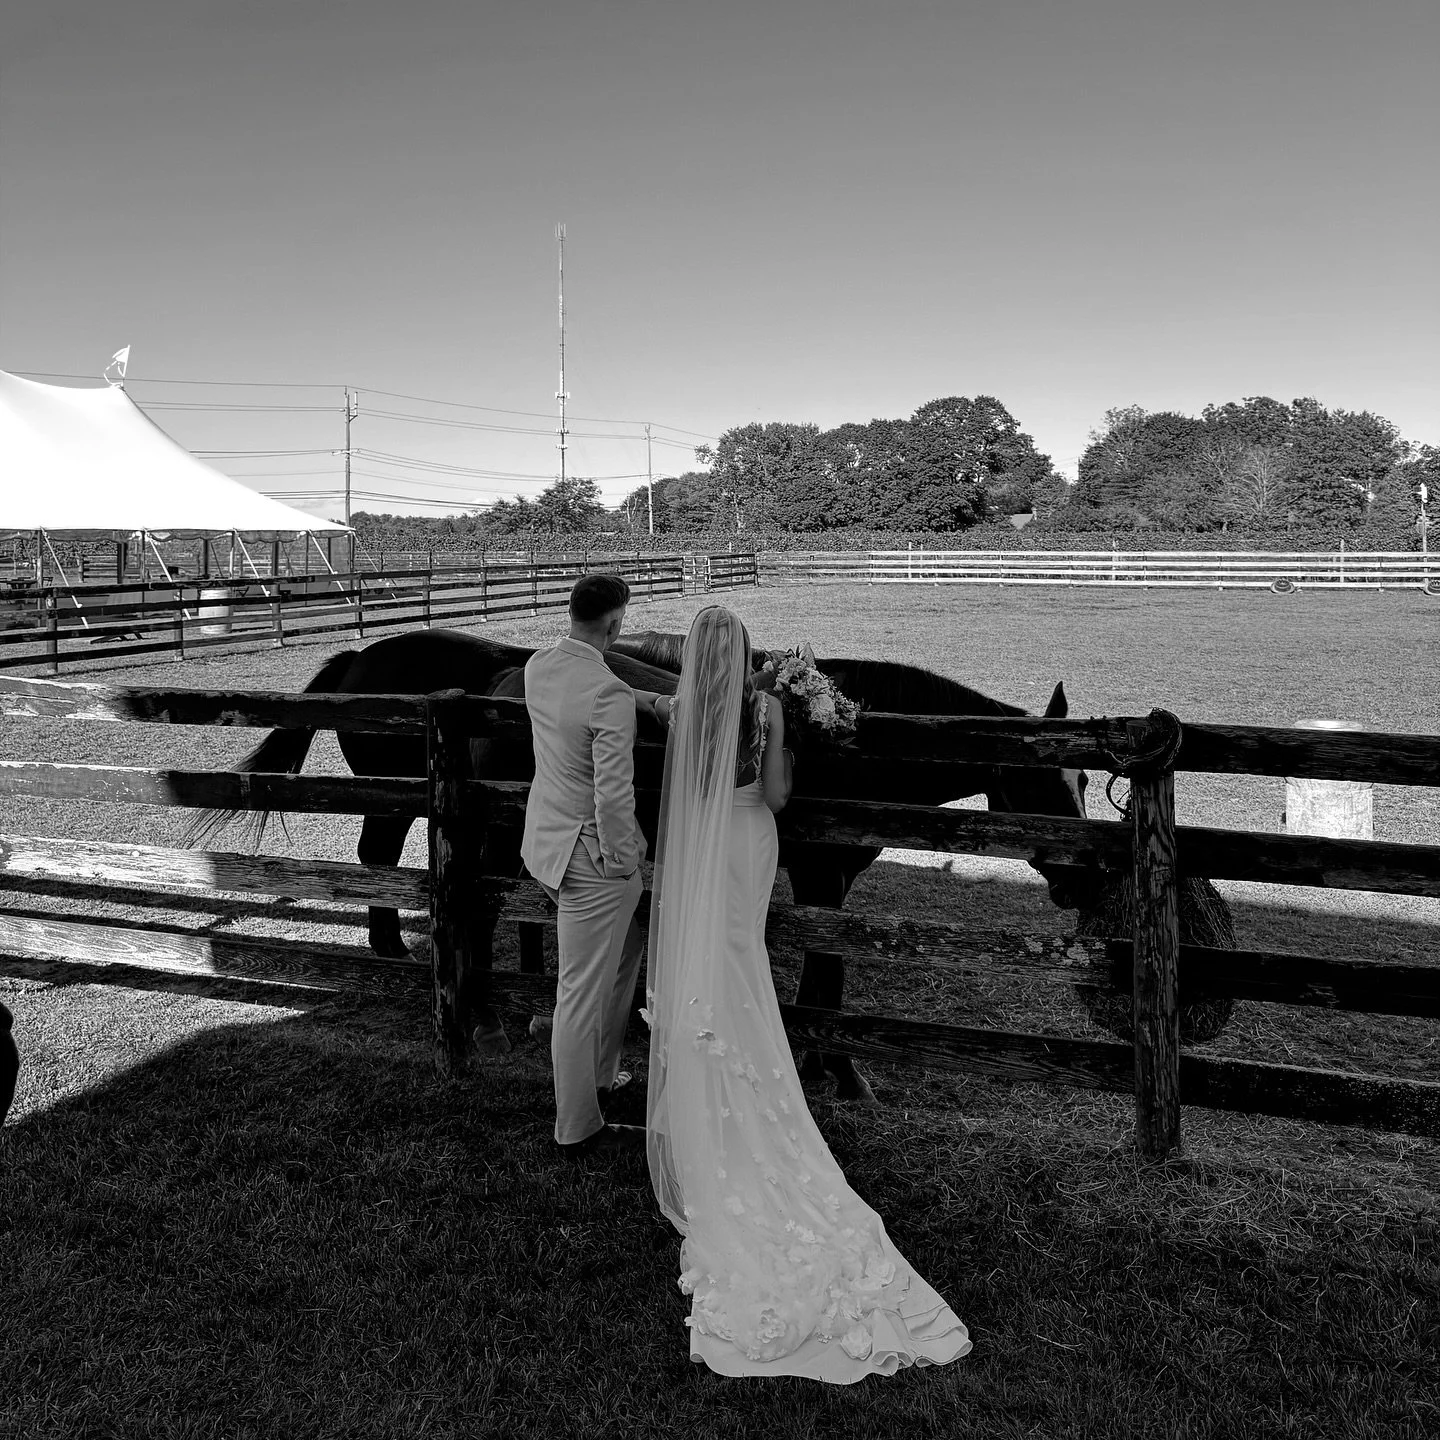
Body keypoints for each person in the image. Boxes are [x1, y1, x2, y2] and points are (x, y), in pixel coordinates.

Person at [644, 604, 972, 1381]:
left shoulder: (683, 706)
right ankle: (763, 1075)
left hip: (701, 845)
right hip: (753, 838)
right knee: (745, 956)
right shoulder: (766, 709)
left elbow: (683, 781)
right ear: (753, 655)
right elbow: (781, 797)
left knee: (707, 962)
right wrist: (786, 718)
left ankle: (707, 1082)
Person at [521, 573, 660, 1158]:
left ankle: (601, 1077)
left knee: (625, 956)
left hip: (547, 846)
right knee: (577, 993)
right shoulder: (608, 694)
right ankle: (577, 1124)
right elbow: (613, 795)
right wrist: (627, 862)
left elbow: (591, 699)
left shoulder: (539, 666)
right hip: (593, 859)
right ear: (615, 623)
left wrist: (648, 699)